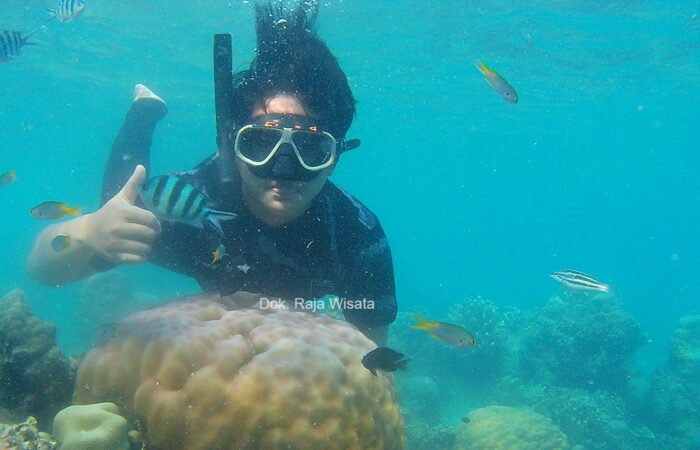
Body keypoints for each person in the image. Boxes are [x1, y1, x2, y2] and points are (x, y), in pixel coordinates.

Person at [27, 1, 396, 344]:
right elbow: (45, 270)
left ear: (335, 157)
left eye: (312, 149)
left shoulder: (357, 235)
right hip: (186, 208)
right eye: (260, 142)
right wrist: (89, 231)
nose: (283, 169)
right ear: (232, 144)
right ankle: (146, 111)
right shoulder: (187, 206)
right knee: (117, 200)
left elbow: (373, 351)